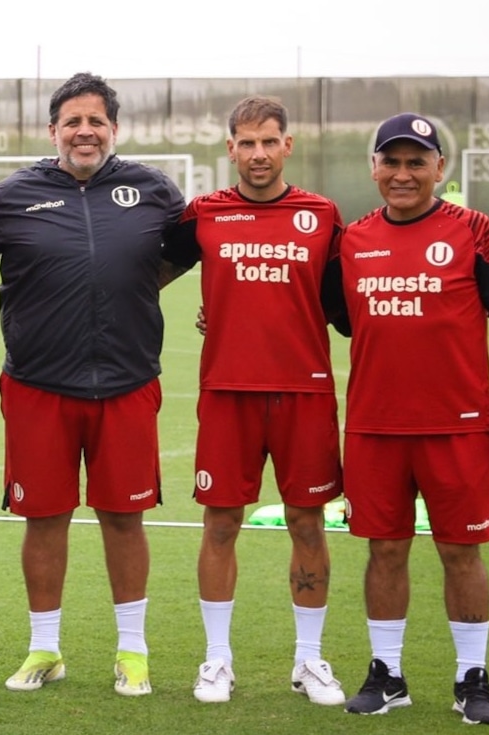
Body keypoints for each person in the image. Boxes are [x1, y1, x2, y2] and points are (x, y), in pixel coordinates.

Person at [0, 72, 187, 697]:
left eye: (96, 121)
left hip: (126, 381)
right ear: (53, 130)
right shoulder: (13, 196)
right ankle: (45, 648)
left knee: (125, 518)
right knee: (45, 518)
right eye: (73, 121)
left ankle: (133, 651)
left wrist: (134, 292)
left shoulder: (153, 190)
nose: (84, 131)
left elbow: (186, 253)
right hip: (39, 383)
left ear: (113, 130)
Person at [338, 112, 489, 725]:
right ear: (373, 168)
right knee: (385, 552)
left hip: (458, 425)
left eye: (416, 162)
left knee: (461, 553)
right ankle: (387, 674)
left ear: (439, 169)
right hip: (375, 427)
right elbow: (318, 312)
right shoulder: (353, 239)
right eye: (390, 162)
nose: (402, 173)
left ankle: (471, 678)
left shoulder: (474, 228)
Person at [164, 96, 346, 706]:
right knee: (220, 524)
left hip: (304, 394)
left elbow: (348, 306)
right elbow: (145, 274)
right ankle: (217, 661)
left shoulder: (321, 215)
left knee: (306, 522)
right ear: (230, 149)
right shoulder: (205, 215)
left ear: (287, 145)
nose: (258, 154)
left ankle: (309, 661)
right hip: (227, 395)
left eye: (269, 142)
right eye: (246, 143)